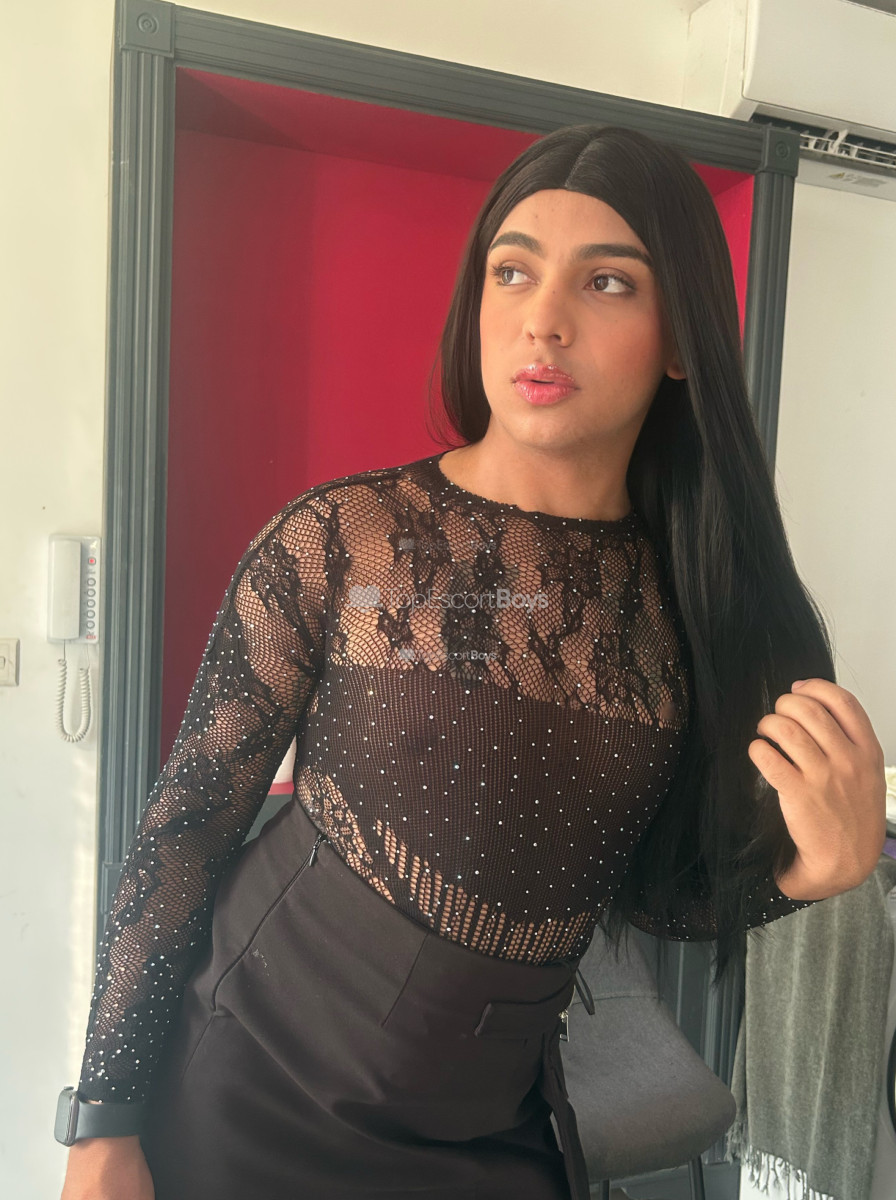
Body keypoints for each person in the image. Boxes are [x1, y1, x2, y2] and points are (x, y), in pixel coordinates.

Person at [58, 123, 887, 1200]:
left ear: (681, 338)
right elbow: (185, 829)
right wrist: (102, 1125)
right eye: (513, 271)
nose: (543, 320)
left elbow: (649, 898)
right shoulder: (342, 541)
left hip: (493, 1122)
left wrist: (810, 874)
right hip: (248, 1086)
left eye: (606, 282)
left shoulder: (699, 611)